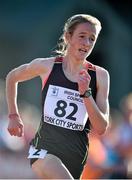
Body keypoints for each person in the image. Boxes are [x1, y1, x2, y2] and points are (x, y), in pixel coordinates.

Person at [6, 14, 110, 179]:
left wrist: (86, 93)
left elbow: (101, 127)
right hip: (44, 150)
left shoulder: (100, 76)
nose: (87, 43)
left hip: (76, 155)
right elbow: (12, 77)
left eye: (92, 39)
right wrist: (13, 115)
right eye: (82, 36)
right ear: (68, 36)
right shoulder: (47, 66)